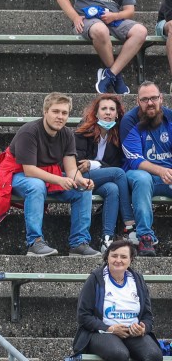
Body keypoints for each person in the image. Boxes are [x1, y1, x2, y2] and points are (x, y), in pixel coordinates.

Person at [72, 239, 160, 361]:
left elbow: (148, 316)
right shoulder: (96, 278)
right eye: (114, 256)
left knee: (154, 355)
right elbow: (83, 316)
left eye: (123, 256)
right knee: (119, 353)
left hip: (132, 332)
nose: (118, 260)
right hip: (101, 333)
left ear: (130, 260)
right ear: (107, 257)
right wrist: (109, 328)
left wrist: (143, 327)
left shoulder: (137, 279)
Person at [10, 93, 97, 257]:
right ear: (45, 112)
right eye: (56, 111)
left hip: (49, 176)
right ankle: (35, 243)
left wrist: (81, 180)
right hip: (18, 175)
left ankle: (79, 243)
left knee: (83, 190)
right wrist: (60, 179)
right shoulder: (29, 132)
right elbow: (29, 170)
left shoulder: (67, 134)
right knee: (36, 185)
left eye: (64, 113)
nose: (60, 117)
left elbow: (71, 170)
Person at [57, 0, 145, 95]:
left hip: (113, 18)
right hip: (87, 19)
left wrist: (115, 16)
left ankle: (110, 74)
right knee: (100, 30)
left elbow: (130, 11)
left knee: (141, 31)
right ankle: (116, 77)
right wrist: (75, 17)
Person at [76, 94, 135, 249]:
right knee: (119, 174)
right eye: (104, 109)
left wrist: (93, 163)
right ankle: (129, 223)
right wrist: (95, 165)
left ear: (117, 114)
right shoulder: (84, 129)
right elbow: (78, 162)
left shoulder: (117, 134)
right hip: (80, 176)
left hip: (102, 179)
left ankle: (106, 238)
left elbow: (115, 164)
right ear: (96, 113)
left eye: (112, 109)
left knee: (113, 189)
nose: (108, 112)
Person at [120, 81, 172, 257]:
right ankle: (145, 236)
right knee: (142, 179)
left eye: (153, 98)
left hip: (168, 176)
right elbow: (135, 160)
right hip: (140, 175)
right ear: (138, 101)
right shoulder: (130, 120)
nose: (150, 103)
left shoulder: (170, 118)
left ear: (161, 98)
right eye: (145, 99)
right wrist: (162, 171)